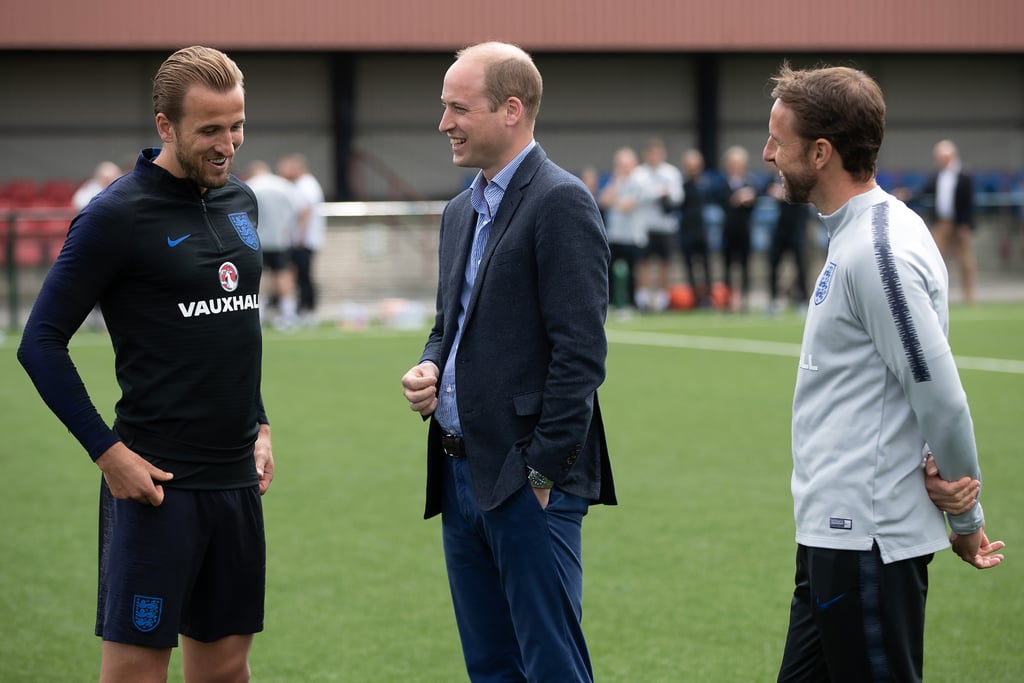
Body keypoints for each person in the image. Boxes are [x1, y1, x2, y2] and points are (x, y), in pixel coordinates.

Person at [17, 46, 274, 683]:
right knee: (134, 675)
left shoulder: (242, 200)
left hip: (235, 480)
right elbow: (40, 342)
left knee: (225, 672)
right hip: (157, 486)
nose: (228, 144)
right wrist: (108, 453)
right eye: (210, 129)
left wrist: (261, 425)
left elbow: (234, 329)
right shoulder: (116, 216)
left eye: (236, 125)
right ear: (165, 126)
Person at [762, 62, 1004, 682]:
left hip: (864, 538)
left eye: (777, 141)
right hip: (831, 534)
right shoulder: (853, 235)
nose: (767, 154)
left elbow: (940, 398)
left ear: (821, 152)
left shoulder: (875, 250)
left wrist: (967, 516)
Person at [400, 41, 615, 683]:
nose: (444, 124)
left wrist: (543, 470)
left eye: (458, 108)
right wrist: (430, 366)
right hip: (459, 468)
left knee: (550, 666)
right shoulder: (460, 208)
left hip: (527, 476)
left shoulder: (560, 201)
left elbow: (581, 353)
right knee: (491, 668)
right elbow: (449, 325)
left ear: (512, 110)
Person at [246, 159, 302, 330]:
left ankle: (259, 316)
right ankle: (288, 316)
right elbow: (297, 210)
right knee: (283, 274)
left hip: (257, 240)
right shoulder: (284, 186)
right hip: (280, 239)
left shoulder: (251, 186)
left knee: (260, 277)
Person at [919, 139, 978, 304]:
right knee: (933, 257)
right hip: (942, 222)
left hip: (959, 223)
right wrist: (908, 194)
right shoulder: (937, 175)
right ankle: (934, 296)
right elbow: (924, 190)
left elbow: (968, 202)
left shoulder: (964, 176)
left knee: (965, 260)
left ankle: (969, 297)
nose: (939, 160)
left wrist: (966, 223)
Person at [631, 138, 682, 312]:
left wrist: (666, 195)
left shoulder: (671, 173)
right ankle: (643, 298)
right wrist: (656, 193)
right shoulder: (639, 174)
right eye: (651, 153)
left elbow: (678, 196)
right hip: (645, 226)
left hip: (665, 226)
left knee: (664, 263)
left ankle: (661, 299)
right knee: (643, 262)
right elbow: (637, 195)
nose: (654, 157)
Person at [276, 152, 325, 326]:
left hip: (304, 241)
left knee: (304, 275)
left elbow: (305, 212)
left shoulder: (306, 185)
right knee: (299, 275)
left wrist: (300, 238)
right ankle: (301, 309)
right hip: (302, 239)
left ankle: (308, 310)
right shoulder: (301, 184)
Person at [598, 146, 644, 312]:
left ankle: (631, 304)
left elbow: (628, 206)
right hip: (614, 234)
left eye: (624, 163)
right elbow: (603, 200)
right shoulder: (615, 180)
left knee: (632, 271)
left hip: (632, 235)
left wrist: (614, 201)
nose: (621, 167)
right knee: (608, 270)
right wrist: (617, 183)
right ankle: (610, 303)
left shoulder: (639, 181)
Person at [715, 145, 760, 312]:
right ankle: (727, 301)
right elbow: (720, 201)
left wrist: (750, 199)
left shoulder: (750, 183)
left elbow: (755, 203)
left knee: (745, 266)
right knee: (727, 267)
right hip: (728, 231)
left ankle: (744, 300)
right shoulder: (722, 184)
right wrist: (734, 198)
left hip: (744, 230)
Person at [765, 177, 811, 315]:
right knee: (774, 263)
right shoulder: (775, 178)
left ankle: (802, 299)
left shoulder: (800, 179)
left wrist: (785, 194)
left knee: (800, 265)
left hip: (797, 228)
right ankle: (774, 300)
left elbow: (806, 198)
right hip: (780, 229)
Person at [675, 149, 713, 307]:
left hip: (701, 230)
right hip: (686, 230)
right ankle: (695, 298)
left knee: (706, 265)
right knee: (689, 266)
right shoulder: (681, 185)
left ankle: (708, 298)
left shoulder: (705, 184)